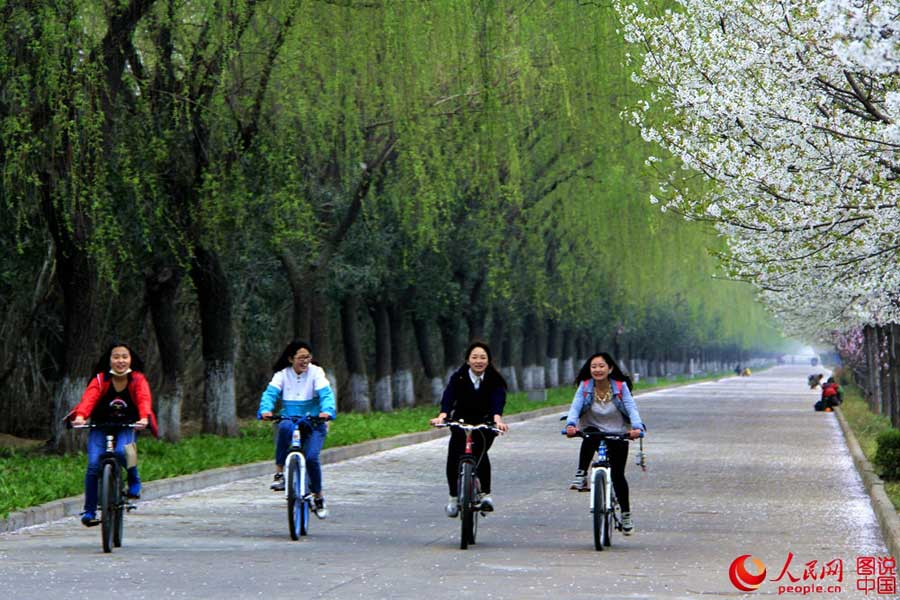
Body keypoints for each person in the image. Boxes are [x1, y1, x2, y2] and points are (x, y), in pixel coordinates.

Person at [68, 342, 157, 527]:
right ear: (109, 360)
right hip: (100, 425)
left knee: (124, 451)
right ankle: (90, 511)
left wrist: (143, 418)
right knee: (93, 465)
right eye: (116, 357)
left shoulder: (137, 379)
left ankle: (133, 478)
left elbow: (143, 399)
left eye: (124, 357)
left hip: (127, 425)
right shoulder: (100, 380)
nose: (120, 361)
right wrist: (81, 416)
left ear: (130, 359)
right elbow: (89, 399)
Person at [565, 352, 645, 535]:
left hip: (618, 432)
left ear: (610, 369)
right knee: (590, 435)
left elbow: (631, 407)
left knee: (618, 475)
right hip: (593, 429)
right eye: (594, 366)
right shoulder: (585, 386)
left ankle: (626, 515)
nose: (597, 370)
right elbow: (575, 406)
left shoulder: (620, 387)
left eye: (601, 366)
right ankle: (581, 474)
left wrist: (637, 427)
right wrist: (570, 424)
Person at [257, 340, 335, 519]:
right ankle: (280, 473)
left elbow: (326, 394)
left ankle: (318, 496)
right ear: (291, 359)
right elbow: (270, 394)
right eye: (301, 357)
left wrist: (327, 411)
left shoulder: (316, 372)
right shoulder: (282, 375)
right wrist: (265, 410)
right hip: (290, 419)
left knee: (311, 458)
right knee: (284, 427)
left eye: (308, 357)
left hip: (314, 422)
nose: (305, 361)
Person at [430, 341, 509, 517]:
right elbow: (449, 396)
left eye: (483, 357)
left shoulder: (494, 380)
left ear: (488, 361)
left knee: (480, 453)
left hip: (485, 423)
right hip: (461, 421)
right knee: (453, 456)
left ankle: (485, 495)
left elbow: (498, 400)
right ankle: (453, 498)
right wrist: (443, 415)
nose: (478, 361)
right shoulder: (458, 377)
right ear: (467, 360)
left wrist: (497, 419)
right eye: (474, 357)